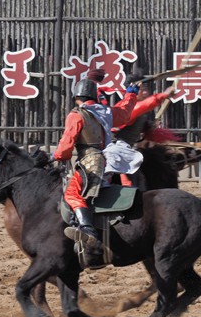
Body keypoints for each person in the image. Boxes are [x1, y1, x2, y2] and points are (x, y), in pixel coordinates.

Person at [51, 77, 138, 269]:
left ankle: (88, 230)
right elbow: (123, 114)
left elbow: (66, 147)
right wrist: (130, 95)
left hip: (90, 161)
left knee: (72, 193)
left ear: (76, 98)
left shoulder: (77, 114)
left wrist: (56, 155)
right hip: (108, 160)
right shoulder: (105, 111)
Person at [109, 74, 175, 186]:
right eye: (141, 90)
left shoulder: (136, 106)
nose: (145, 93)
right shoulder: (126, 107)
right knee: (135, 180)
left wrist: (148, 126)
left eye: (146, 89)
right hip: (117, 151)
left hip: (127, 150)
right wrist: (163, 95)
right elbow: (141, 107)